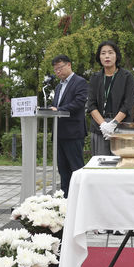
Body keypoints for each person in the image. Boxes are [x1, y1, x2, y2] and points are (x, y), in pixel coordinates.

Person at [86, 40, 134, 156]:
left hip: (121, 126)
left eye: (110, 52)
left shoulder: (127, 76)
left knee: (121, 164)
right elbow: (91, 104)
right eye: (103, 53)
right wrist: (103, 125)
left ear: (116, 56)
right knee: (101, 165)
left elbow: (128, 104)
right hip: (100, 129)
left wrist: (113, 123)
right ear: (99, 57)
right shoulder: (95, 77)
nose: (107, 56)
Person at [49, 55, 89, 197]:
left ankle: (81, 198)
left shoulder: (80, 82)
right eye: (55, 70)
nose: (58, 72)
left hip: (73, 133)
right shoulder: (59, 86)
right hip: (59, 132)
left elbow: (79, 102)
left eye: (60, 68)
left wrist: (59, 110)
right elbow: (56, 106)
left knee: (76, 168)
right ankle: (65, 200)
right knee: (63, 170)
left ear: (69, 65)